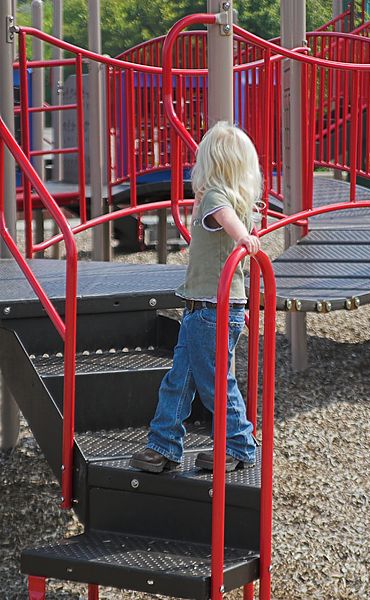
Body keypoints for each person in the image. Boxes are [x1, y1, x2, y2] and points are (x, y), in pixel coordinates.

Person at [130, 121, 262, 474]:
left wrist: (242, 238)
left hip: (210, 310)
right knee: (179, 380)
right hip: (206, 308)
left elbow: (227, 220)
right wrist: (243, 302)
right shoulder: (241, 202)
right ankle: (164, 446)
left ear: (211, 162)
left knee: (215, 382)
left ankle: (239, 444)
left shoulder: (218, 199)